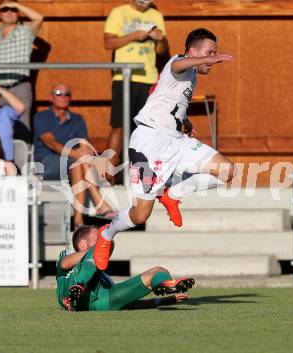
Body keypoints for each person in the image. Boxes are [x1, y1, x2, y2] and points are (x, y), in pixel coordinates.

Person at [93, 28, 236, 270]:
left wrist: (184, 122)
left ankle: (172, 194)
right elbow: (178, 66)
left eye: (215, 54)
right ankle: (106, 234)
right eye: (210, 53)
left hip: (175, 139)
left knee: (226, 171)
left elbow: (169, 101)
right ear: (193, 51)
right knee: (140, 215)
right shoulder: (178, 62)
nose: (214, 59)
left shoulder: (191, 73)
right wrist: (205, 59)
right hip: (149, 142)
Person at [33, 84, 117, 227]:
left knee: (79, 163)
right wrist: (77, 154)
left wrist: (86, 157)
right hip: (47, 162)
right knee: (79, 161)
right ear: (51, 97)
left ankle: (78, 220)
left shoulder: (78, 119)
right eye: (59, 93)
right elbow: (50, 142)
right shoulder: (41, 117)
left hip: (73, 164)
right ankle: (99, 204)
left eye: (67, 94)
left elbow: (84, 146)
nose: (63, 97)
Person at [56, 225, 194, 312]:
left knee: (159, 270)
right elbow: (65, 264)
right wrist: (99, 247)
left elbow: (126, 304)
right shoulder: (67, 255)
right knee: (102, 246)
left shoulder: (104, 278)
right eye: (98, 237)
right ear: (82, 244)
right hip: (71, 290)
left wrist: (163, 301)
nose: (103, 239)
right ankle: (78, 287)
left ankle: (162, 284)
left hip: (101, 302)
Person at [104, 0, 168, 180]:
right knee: (119, 126)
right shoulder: (118, 12)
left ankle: (143, 174)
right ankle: (108, 174)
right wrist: (135, 36)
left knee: (146, 128)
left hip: (149, 78)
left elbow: (162, 51)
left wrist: (160, 39)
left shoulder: (156, 15)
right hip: (124, 77)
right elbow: (108, 43)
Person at [0, 0, 44, 142]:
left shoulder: (25, 31)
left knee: (22, 126)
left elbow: (39, 18)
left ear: (18, 12)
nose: (10, 12)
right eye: (5, 9)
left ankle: (23, 163)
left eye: (13, 9)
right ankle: (1, 163)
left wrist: (17, 5)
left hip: (19, 85)